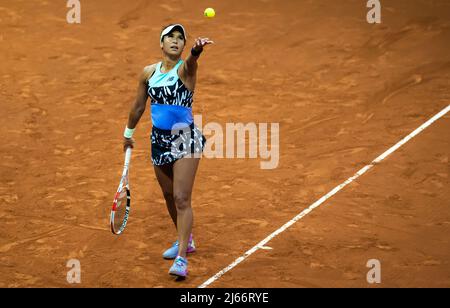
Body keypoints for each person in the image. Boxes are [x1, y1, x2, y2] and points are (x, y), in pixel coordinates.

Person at [122, 24, 213, 278]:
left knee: (182, 197)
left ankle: (182, 258)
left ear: (183, 46)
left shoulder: (185, 70)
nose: (175, 41)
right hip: (159, 141)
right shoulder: (148, 73)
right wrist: (127, 134)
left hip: (185, 138)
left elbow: (192, 62)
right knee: (168, 194)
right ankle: (187, 239)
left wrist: (196, 52)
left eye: (180, 39)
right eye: (170, 37)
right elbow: (139, 106)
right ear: (161, 44)